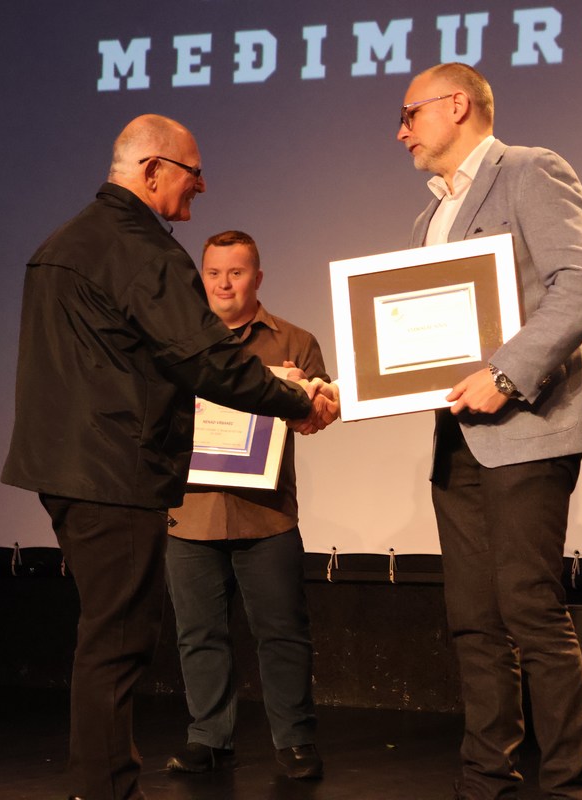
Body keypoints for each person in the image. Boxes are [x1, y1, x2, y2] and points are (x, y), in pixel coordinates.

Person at [0, 115, 329, 800]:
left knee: (107, 636)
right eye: (193, 172)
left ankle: (102, 785)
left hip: (64, 469)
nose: (201, 185)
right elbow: (205, 361)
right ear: (153, 170)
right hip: (114, 471)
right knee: (117, 644)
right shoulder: (142, 250)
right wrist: (293, 400)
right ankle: (106, 790)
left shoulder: (61, 243)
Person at [395, 63, 582, 800]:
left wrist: (506, 374)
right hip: (457, 438)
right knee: (473, 620)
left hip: (526, 425)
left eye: (410, 114)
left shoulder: (529, 171)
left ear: (457, 105)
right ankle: (485, 780)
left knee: (529, 610)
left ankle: (570, 786)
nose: (401, 132)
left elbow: (581, 287)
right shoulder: (428, 218)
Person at [163, 230, 338, 781]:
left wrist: (312, 401)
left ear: (257, 278)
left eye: (235, 273)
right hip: (189, 513)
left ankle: (295, 741)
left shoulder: (295, 341)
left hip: (267, 515)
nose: (223, 284)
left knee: (282, 632)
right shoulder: (177, 341)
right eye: (213, 273)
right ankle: (209, 739)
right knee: (198, 634)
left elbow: (317, 415)